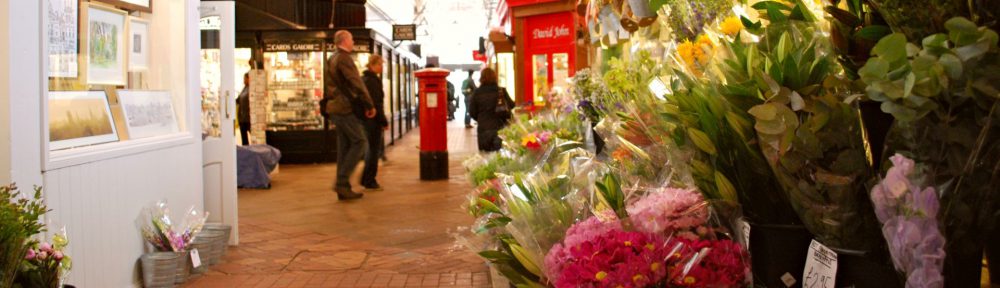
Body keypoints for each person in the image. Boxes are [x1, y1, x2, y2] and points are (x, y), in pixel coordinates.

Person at [324, 30, 376, 201]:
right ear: (345, 41)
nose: (353, 42)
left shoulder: (332, 58)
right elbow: (356, 81)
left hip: (335, 108)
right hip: (344, 108)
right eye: (352, 39)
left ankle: (343, 188)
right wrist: (368, 103)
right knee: (360, 141)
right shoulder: (344, 58)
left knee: (344, 147)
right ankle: (341, 181)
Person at [468, 67, 514, 152]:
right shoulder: (501, 91)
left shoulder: (477, 93)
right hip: (500, 128)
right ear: (495, 77)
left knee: (485, 157)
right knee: (500, 157)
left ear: (481, 78)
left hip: (483, 129)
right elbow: (511, 105)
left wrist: (480, 118)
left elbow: (472, 112)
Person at [361, 54, 388, 190]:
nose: (382, 67)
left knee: (370, 150)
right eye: (380, 64)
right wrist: (383, 121)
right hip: (373, 120)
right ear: (372, 65)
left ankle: (365, 178)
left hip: (366, 120)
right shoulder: (372, 81)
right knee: (373, 151)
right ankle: (370, 180)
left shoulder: (364, 79)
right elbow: (377, 103)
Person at [237, 72, 251, 145]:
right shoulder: (244, 88)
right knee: (244, 140)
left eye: (245, 79)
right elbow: (238, 99)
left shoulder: (251, 89)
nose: (244, 80)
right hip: (242, 118)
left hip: (248, 118)